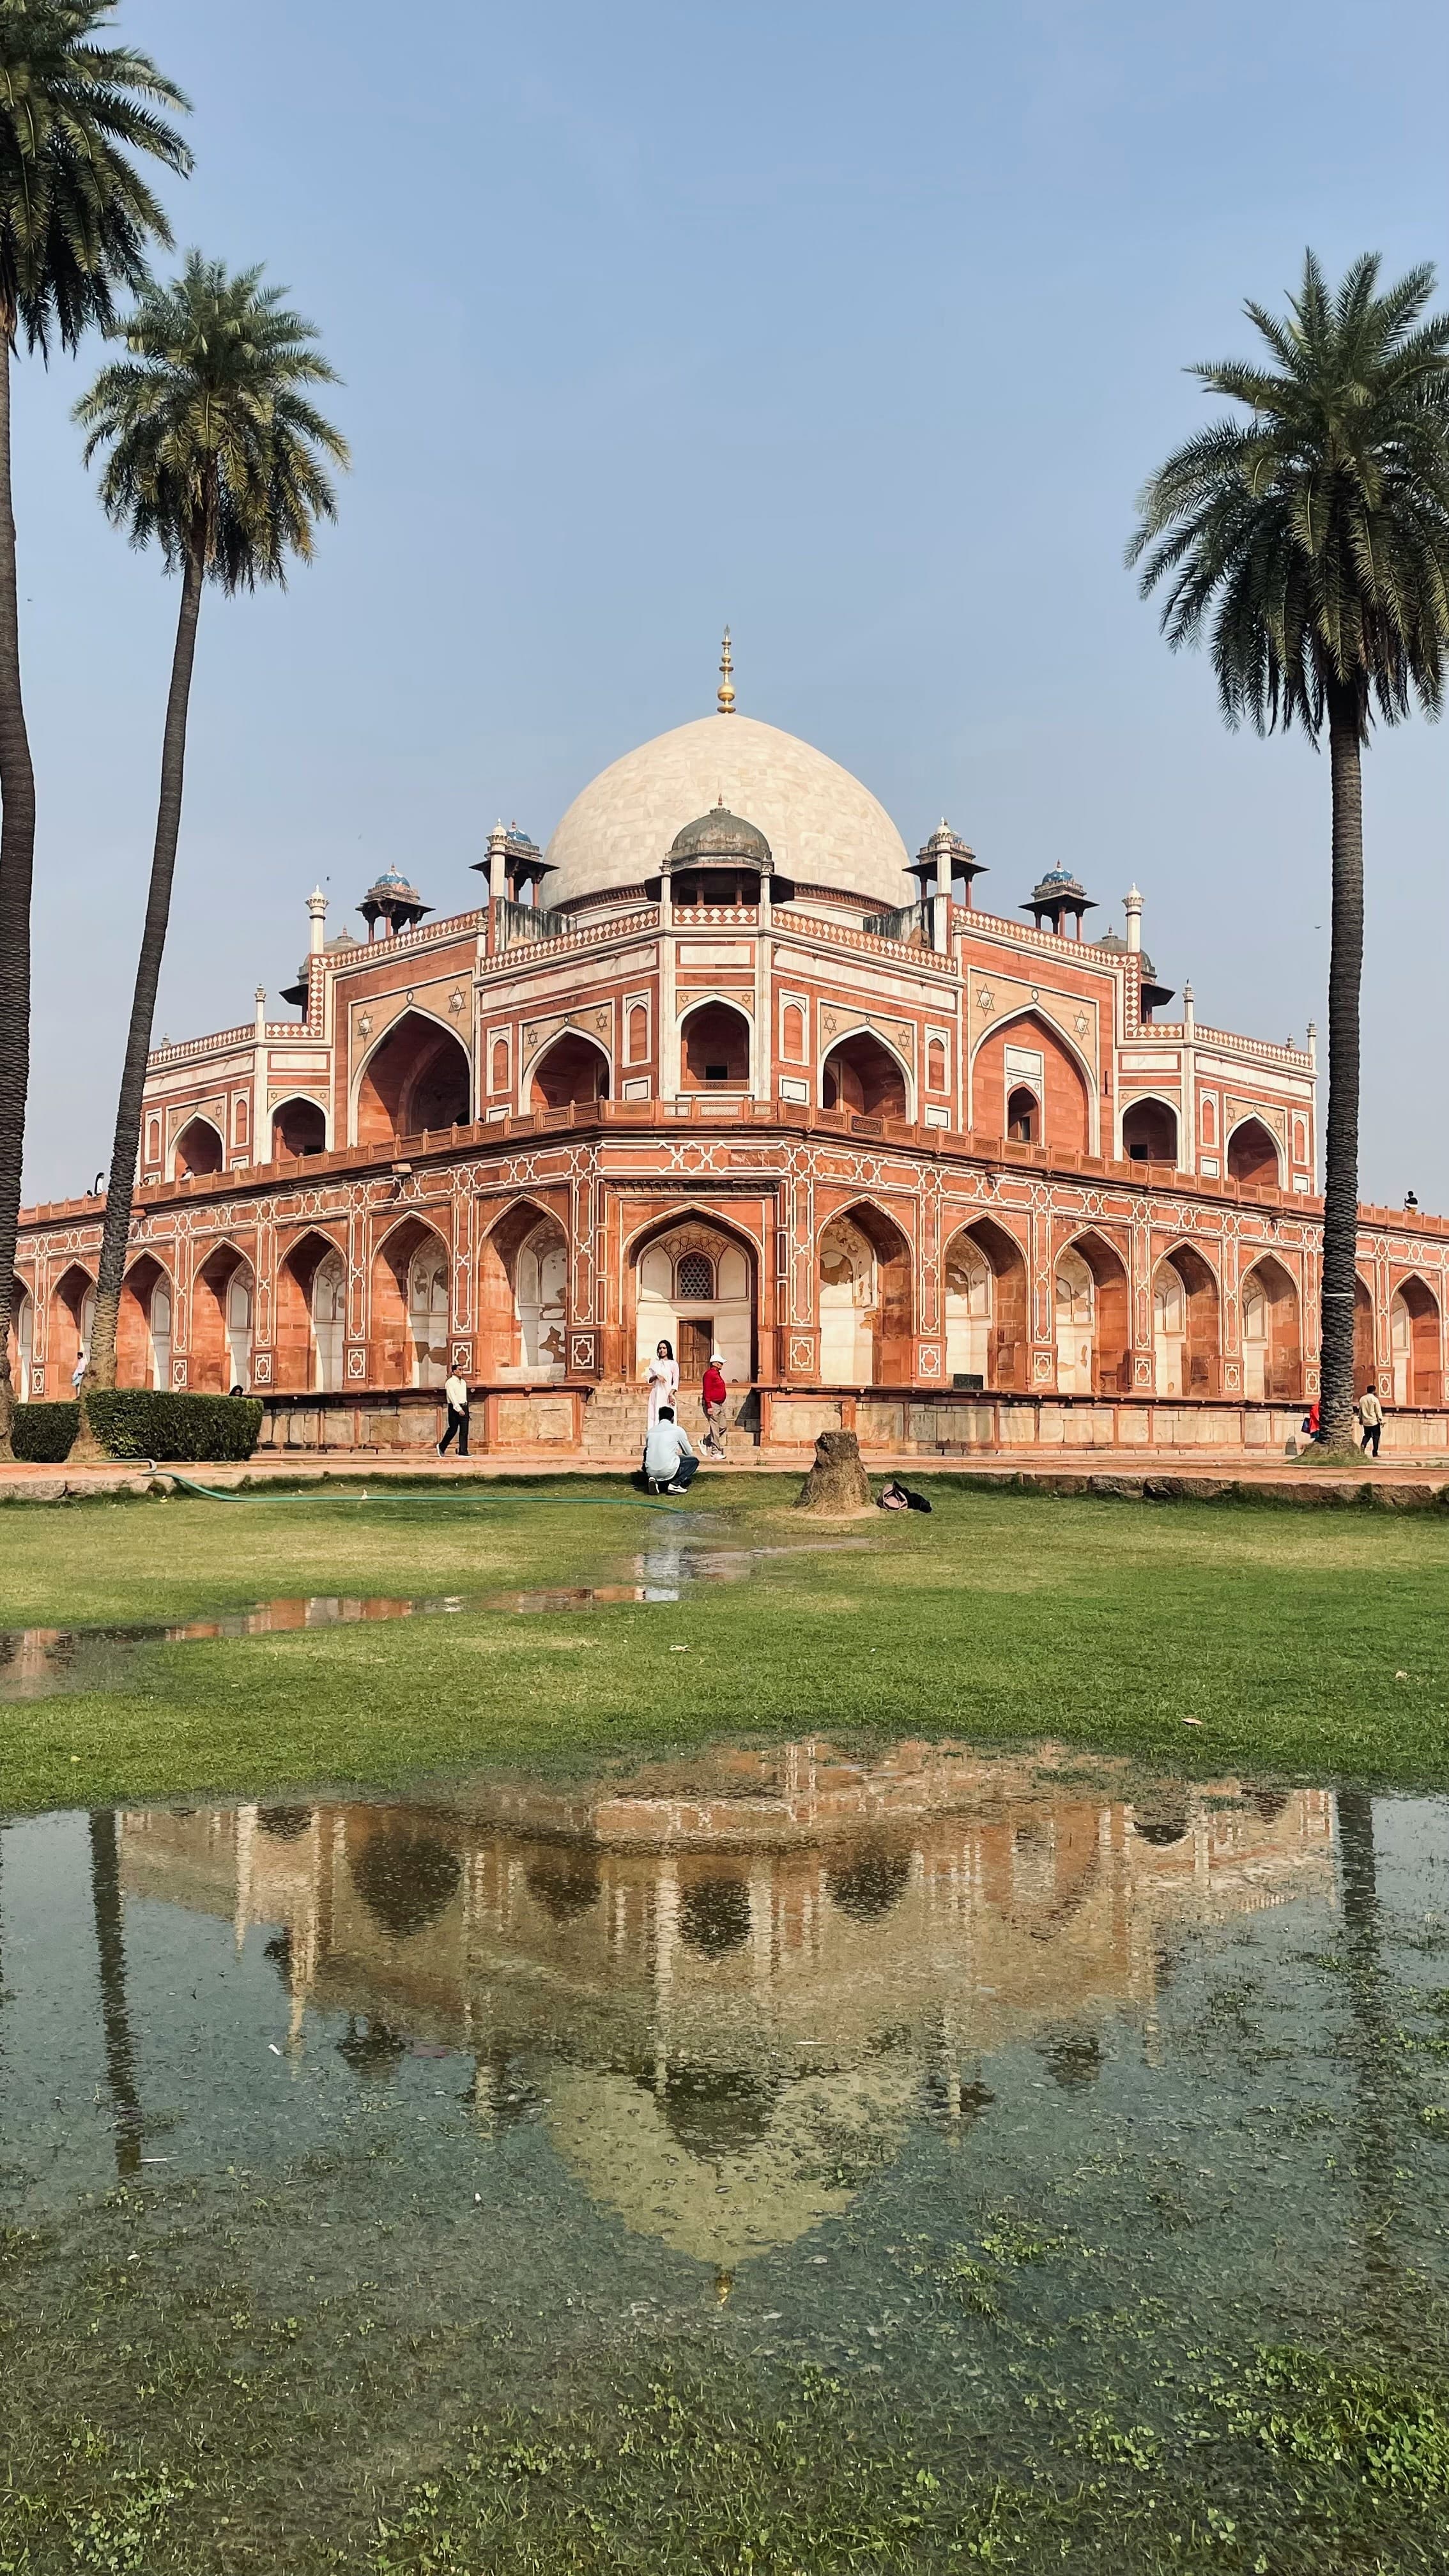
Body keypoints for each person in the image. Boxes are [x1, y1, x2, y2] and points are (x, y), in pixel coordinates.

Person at [642, 1404, 698, 1493]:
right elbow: (688, 1452)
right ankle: (675, 1484)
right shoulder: (677, 1430)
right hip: (668, 1469)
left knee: (647, 1451)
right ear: (672, 1418)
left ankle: (654, 1480)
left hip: (650, 1470)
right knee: (694, 1461)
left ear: (659, 1417)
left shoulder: (650, 1431)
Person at [646, 1338, 679, 1429]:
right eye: (660, 1348)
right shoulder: (654, 1364)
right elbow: (649, 1379)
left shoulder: (673, 1364)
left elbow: (676, 1383)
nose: (662, 1350)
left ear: (668, 1349)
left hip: (668, 1394)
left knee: (669, 1418)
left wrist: (671, 1394)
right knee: (655, 1416)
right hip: (656, 1394)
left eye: (664, 1348)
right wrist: (656, 1376)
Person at [438, 1367, 470, 1458]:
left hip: (464, 1406)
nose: (461, 1372)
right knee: (453, 1429)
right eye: (459, 1370)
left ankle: (463, 1451)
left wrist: (465, 1407)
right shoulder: (450, 1383)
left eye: (462, 1370)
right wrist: (458, 1409)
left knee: (464, 1430)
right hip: (454, 1407)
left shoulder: (463, 1382)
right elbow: (452, 1397)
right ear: (454, 1371)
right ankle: (441, 1446)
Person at [702, 1350, 728, 1457]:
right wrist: (709, 1405)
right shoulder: (709, 1374)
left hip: (719, 1404)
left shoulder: (717, 1374)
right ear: (715, 1363)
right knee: (715, 1428)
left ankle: (706, 1442)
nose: (722, 1365)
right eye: (720, 1363)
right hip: (712, 1404)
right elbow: (707, 1390)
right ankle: (715, 1452)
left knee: (723, 1426)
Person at [1358, 1384, 1384, 1458]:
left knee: (1367, 1435)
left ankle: (1363, 1445)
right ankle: (1375, 1453)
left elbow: (1360, 1411)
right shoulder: (1375, 1399)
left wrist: (1360, 1419)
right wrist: (1381, 1420)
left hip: (1366, 1421)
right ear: (1374, 1391)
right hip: (1374, 1422)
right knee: (1376, 1437)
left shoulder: (1362, 1399)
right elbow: (1378, 1411)